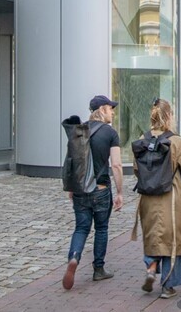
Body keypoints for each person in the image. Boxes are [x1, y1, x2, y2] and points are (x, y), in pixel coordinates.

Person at [134, 98, 181, 300]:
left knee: (153, 236)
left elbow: (136, 168)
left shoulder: (143, 139)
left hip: (148, 199)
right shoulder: (175, 141)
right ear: (168, 116)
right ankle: (168, 286)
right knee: (173, 239)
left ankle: (151, 266)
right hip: (171, 197)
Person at [62, 95, 123, 290]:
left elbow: (72, 160)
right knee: (102, 228)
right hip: (101, 189)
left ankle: (74, 258)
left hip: (80, 188)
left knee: (81, 228)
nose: (113, 112)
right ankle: (98, 269)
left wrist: (71, 187)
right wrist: (120, 191)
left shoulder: (79, 131)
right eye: (111, 108)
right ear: (102, 109)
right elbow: (116, 164)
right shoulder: (110, 133)